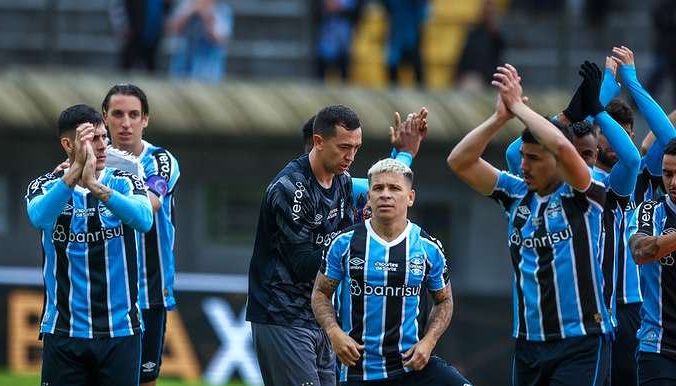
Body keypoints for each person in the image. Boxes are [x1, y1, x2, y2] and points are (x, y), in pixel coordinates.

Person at [447, 64, 613, 385]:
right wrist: (500, 118)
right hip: (529, 342)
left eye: (534, 158)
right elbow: (459, 161)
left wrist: (520, 107)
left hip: (581, 339)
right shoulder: (515, 193)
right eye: (523, 156)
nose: (524, 165)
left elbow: (562, 145)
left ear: (557, 161)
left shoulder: (585, 191)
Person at [312, 158, 470, 385]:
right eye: (378, 188)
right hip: (359, 371)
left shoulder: (428, 247)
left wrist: (428, 342)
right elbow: (320, 293)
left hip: (413, 368)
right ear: (369, 197)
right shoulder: (343, 243)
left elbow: (444, 300)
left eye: (394, 188)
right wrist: (334, 333)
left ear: (410, 197)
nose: (385, 195)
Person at [26, 104, 154, 386]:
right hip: (64, 331)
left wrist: (95, 187)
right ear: (68, 144)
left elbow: (145, 220)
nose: (102, 145)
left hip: (120, 331)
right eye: (92, 139)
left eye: (103, 137)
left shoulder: (124, 181)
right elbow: (39, 217)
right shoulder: (45, 185)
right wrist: (75, 175)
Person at [247, 105, 362, 386]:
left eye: (356, 148)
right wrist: (360, 239)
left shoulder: (343, 181)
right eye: (344, 147)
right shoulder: (291, 189)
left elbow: (386, 188)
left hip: (321, 317)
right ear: (319, 141)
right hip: (282, 314)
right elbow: (303, 265)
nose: (351, 156)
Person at [100, 84, 179, 386]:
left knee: (145, 380)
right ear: (105, 117)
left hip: (149, 290)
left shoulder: (159, 160)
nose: (126, 123)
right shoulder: (93, 160)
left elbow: (151, 204)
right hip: (105, 292)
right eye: (118, 114)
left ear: (145, 119)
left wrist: (100, 190)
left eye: (134, 115)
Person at [628, 138, 676, 386]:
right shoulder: (650, 210)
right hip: (658, 347)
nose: (673, 183)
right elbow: (640, 252)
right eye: (667, 174)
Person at [167, 0, 233, 82]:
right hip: (183, 65)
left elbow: (219, 40)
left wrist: (206, 16)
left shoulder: (222, 11)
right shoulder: (187, 5)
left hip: (208, 69)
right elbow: (172, 29)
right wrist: (189, 14)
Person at [109, 0, 172, 71]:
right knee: (126, 67)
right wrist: (122, 26)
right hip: (132, 31)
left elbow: (167, 1)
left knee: (150, 68)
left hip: (154, 32)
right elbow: (118, 0)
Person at [379, 0, 431, 88]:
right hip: (396, 30)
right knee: (393, 62)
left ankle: (420, 90)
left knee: (416, 61)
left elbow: (423, 5)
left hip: (413, 30)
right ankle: (393, 91)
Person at [312, 0, 364, 82]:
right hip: (326, 32)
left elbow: (359, 11)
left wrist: (340, 8)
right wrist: (326, 6)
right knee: (322, 64)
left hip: (347, 33)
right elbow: (314, 9)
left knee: (345, 65)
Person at [456, 0, 505, 90]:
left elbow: (499, 59)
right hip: (474, 76)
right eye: (486, 12)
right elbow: (465, 58)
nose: (488, 16)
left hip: (490, 77)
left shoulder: (497, 36)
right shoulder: (474, 33)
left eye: (491, 13)